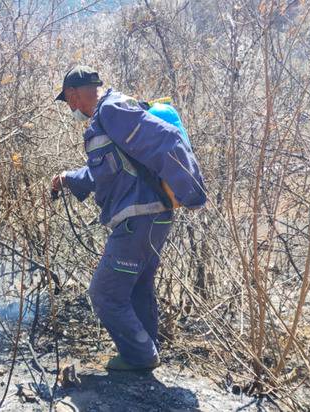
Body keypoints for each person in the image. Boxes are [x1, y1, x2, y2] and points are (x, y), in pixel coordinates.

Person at [51, 65, 206, 371]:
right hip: (152, 218)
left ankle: (140, 356)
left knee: (105, 292)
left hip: (139, 218)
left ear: (73, 95)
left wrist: (192, 192)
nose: (70, 108)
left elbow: (168, 139)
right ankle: (148, 351)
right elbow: (106, 173)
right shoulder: (107, 116)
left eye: (68, 101)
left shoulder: (111, 110)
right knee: (136, 287)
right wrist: (67, 178)